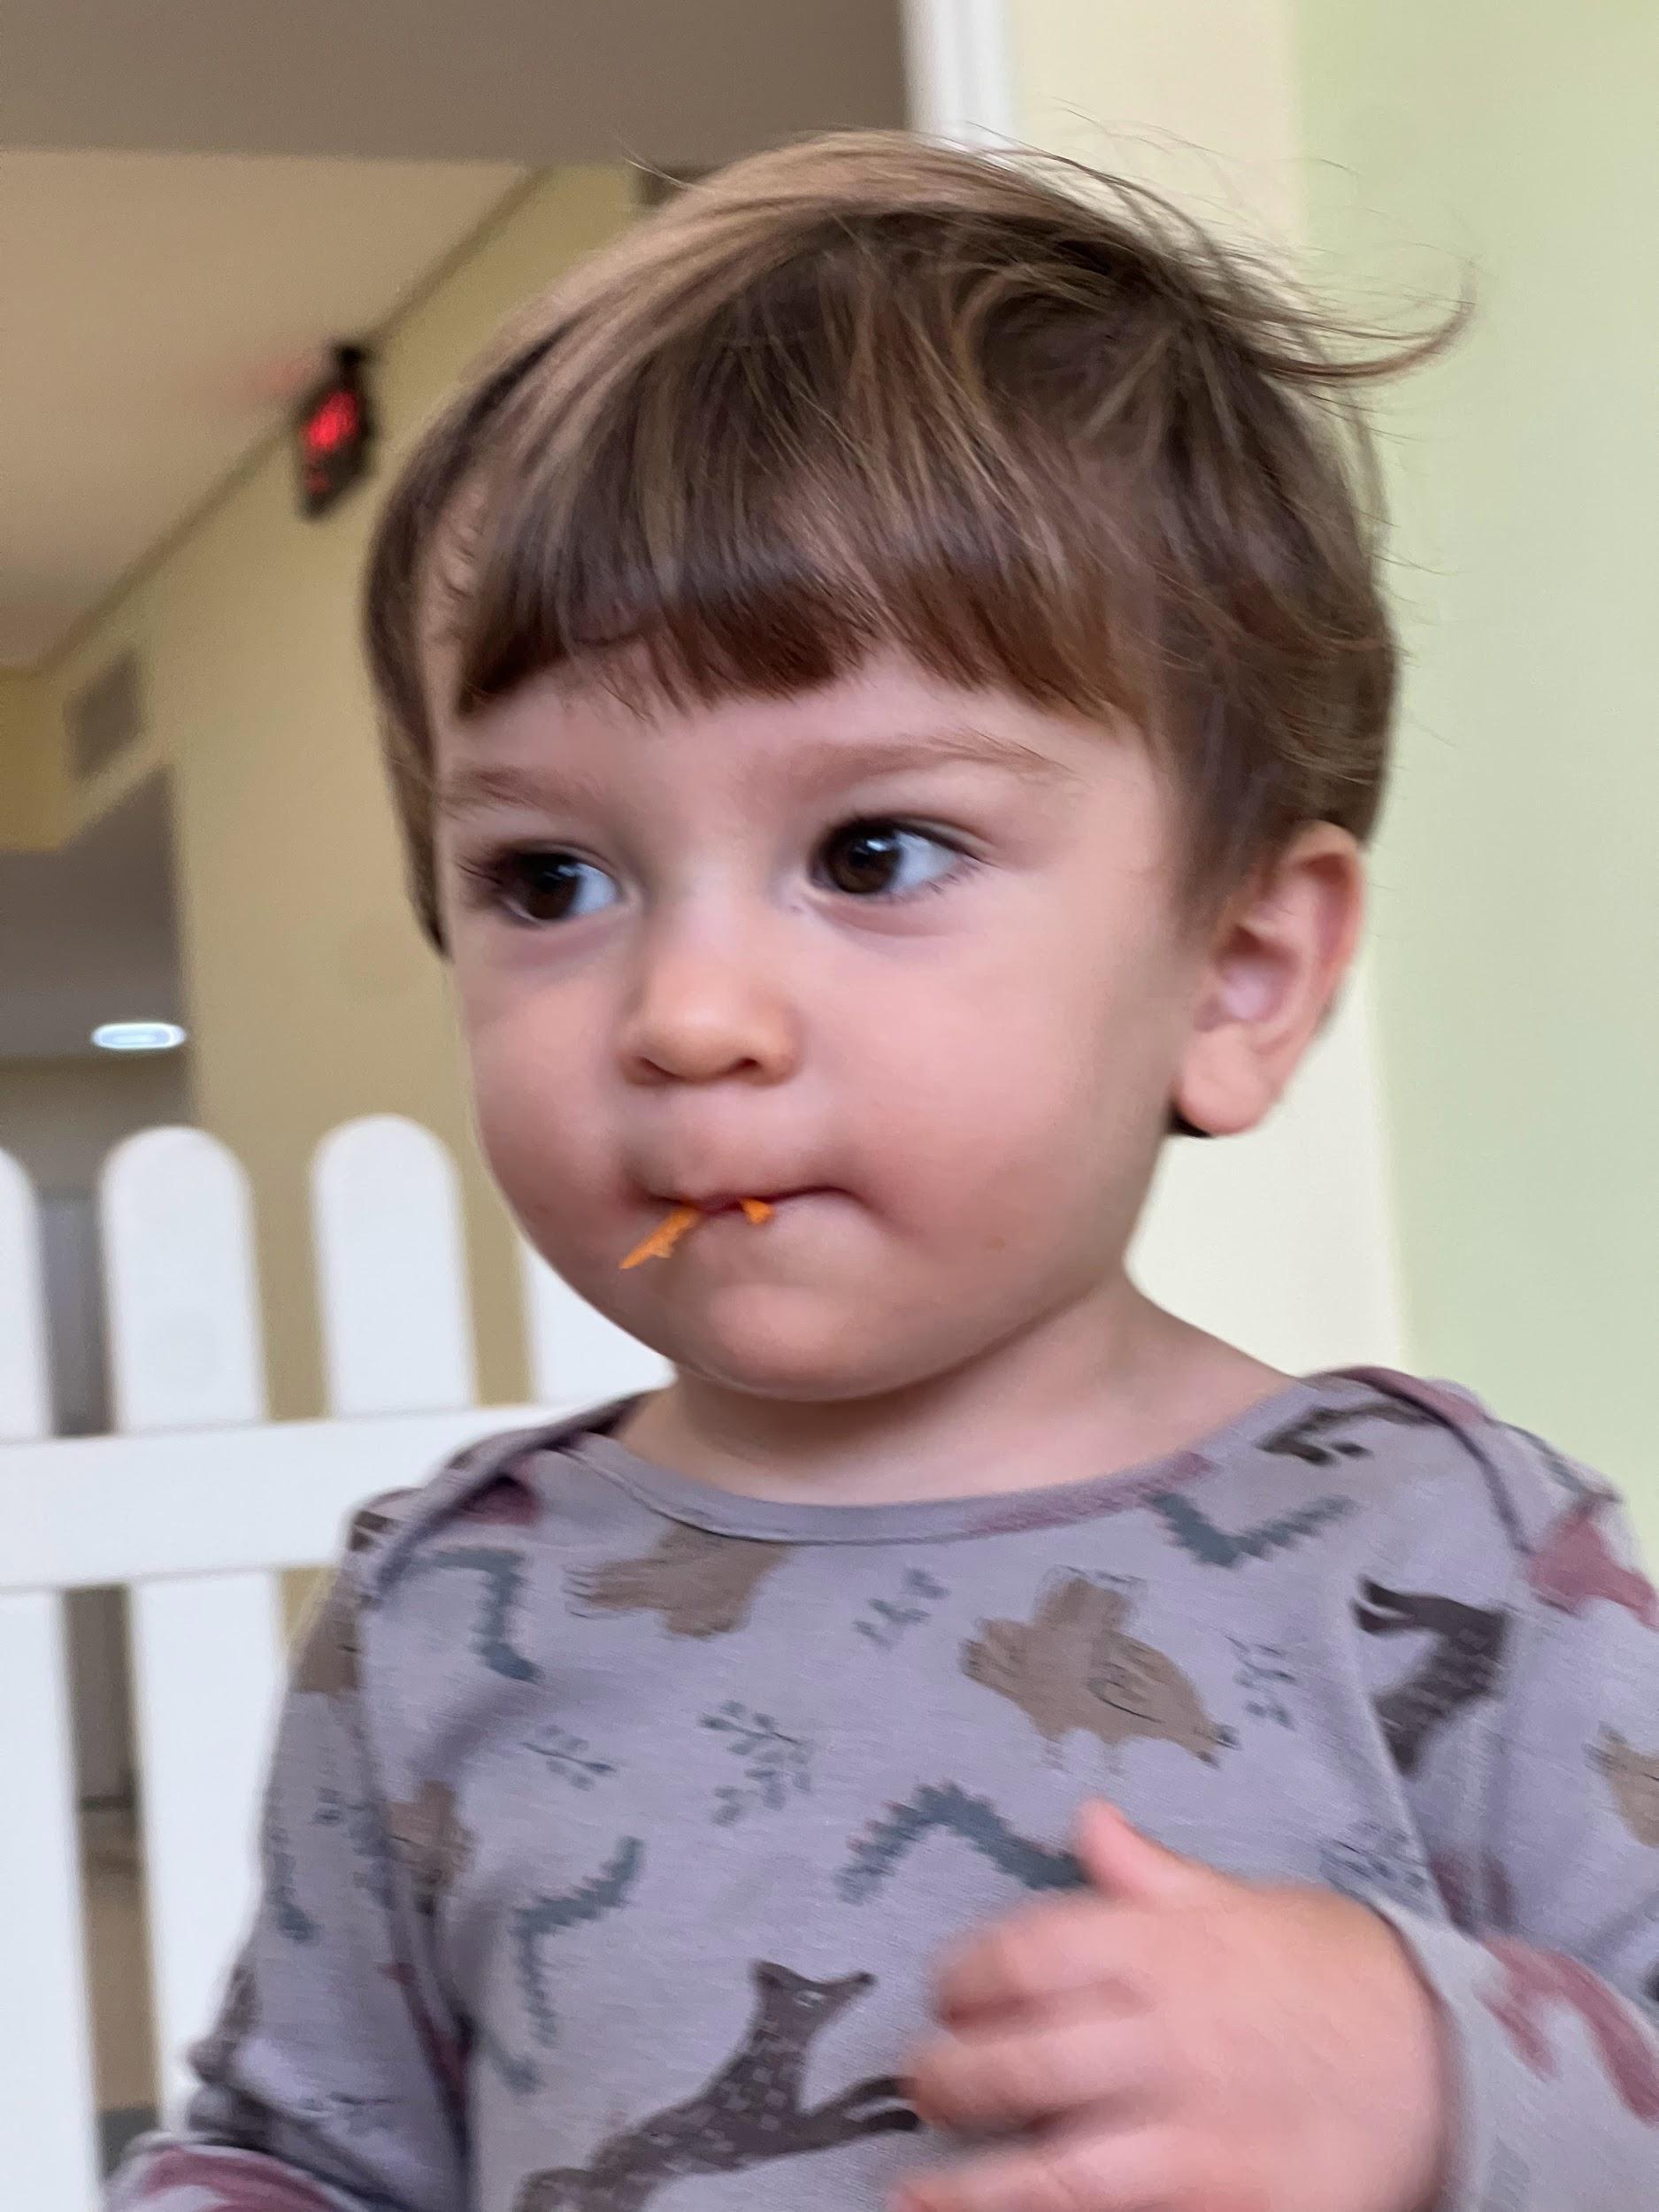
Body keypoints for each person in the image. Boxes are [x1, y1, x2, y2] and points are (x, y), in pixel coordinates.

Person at [110, 131, 1659, 2212]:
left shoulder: (1458, 1563)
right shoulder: (443, 1609)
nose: (687, 1012)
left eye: (871, 850)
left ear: (1236, 969)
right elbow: (299, 2148)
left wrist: (1451, 2085)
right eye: (547, 876)